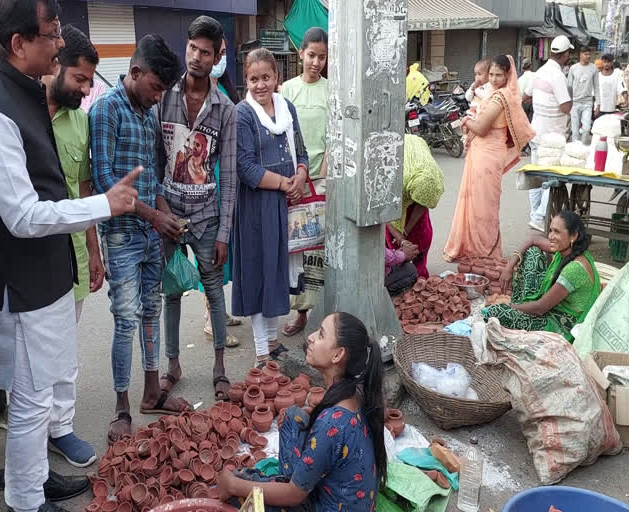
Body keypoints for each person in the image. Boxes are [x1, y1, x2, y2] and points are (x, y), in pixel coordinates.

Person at [0, 0, 144, 510]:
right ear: (18, 43)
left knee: (42, 393)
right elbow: (21, 215)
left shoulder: (23, 92)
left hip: (45, 279)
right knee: (31, 400)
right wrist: (101, 206)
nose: (61, 44)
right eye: (51, 34)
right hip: (18, 288)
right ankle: (25, 499)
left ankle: (34, 478)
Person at [90, 34, 190, 444]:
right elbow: (104, 182)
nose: (157, 97)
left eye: (163, 90)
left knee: (150, 312)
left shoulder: (148, 114)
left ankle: (152, 393)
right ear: (134, 73)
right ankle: (121, 408)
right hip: (122, 237)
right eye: (154, 88)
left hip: (150, 235)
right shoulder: (105, 111)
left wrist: (164, 214)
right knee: (125, 317)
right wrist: (153, 216)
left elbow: (152, 176)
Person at [216, 312, 385, 512]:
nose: (311, 337)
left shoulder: (332, 423)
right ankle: (287, 480)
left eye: (321, 335)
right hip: (346, 497)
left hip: (328, 506)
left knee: (241, 493)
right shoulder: (355, 395)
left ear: (338, 354)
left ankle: (282, 482)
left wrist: (234, 486)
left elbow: (294, 495)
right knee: (292, 417)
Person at [155, 16, 237, 403]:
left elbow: (231, 177)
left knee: (214, 291)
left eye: (206, 52)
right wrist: (158, 211)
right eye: (192, 49)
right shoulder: (164, 96)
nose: (197, 58)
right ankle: (173, 364)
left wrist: (224, 233)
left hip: (207, 217)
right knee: (171, 291)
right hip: (168, 215)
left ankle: (220, 366)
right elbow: (156, 157)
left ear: (218, 56)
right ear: (185, 47)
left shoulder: (226, 109)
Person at [39, 24, 103, 469]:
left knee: (63, 349)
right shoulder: (20, 112)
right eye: (80, 79)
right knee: (28, 353)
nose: (85, 90)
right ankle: (28, 423)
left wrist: (94, 252)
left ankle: (60, 427)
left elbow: (83, 189)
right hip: (28, 255)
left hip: (73, 255)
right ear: (56, 66)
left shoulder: (81, 121)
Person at [233, 48, 309, 367]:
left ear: (277, 78)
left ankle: (274, 340)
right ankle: (262, 350)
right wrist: (284, 183)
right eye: (253, 78)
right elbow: (246, 167)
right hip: (256, 208)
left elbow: (301, 152)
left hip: (284, 207)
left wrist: (301, 176)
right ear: (245, 80)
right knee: (257, 273)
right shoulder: (243, 114)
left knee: (276, 270)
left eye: (266, 77)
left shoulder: (287, 107)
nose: (260, 85)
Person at [444, 55, 535, 262]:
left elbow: (482, 128)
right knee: (474, 201)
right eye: (491, 74)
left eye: (499, 75)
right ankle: (473, 249)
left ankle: (485, 252)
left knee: (484, 205)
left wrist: (466, 119)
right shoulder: (494, 93)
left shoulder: (500, 97)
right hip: (482, 152)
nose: (494, 79)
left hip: (488, 154)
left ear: (507, 75)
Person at [484, 211, 601, 341]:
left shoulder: (574, 269)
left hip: (560, 325)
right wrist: (509, 267)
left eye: (557, 232)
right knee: (533, 253)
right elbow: (533, 240)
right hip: (547, 307)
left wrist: (507, 305)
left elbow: (540, 308)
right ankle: (520, 304)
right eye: (550, 231)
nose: (551, 236)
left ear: (573, 236)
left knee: (495, 312)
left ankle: (517, 306)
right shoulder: (565, 249)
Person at [281, 27, 329, 337]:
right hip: (292, 179)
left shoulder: (331, 90)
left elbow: (335, 136)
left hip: (323, 179)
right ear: (300, 53)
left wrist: (322, 174)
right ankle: (300, 312)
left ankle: (321, 310)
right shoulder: (286, 89)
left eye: (322, 57)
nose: (316, 62)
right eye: (311, 55)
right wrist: (294, 177)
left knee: (320, 250)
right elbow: (280, 134)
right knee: (296, 249)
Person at [197, 34, 241, 349]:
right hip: (207, 184)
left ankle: (219, 311)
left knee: (223, 254)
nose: (221, 58)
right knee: (210, 253)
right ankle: (211, 321)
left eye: (224, 52)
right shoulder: (195, 94)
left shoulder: (224, 89)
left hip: (227, 180)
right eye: (217, 52)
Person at [524, 36, 573, 233]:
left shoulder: (539, 72)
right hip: (552, 137)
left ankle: (534, 213)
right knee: (550, 177)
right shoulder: (558, 76)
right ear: (566, 55)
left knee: (537, 175)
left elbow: (526, 95)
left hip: (536, 132)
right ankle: (539, 216)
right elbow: (565, 106)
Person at [388, 134, 444, 278]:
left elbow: (423, 203)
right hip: (401, 183)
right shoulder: (393, 182)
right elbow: (383, 216)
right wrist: (400, 238)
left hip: (417, 159)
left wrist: (407, 230)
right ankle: (395, 275)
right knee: (393, 244)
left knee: (421, 236)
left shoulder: (433, 177)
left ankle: (419, 273)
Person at [568, 46, 599, 144]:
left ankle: (584, 150)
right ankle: (574, 152)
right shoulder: (573, 68)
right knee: (575, 131)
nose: (588, 56)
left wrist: (598, 104)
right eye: (585, 54)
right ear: (580, 55)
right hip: (575, 102)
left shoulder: (594, 68)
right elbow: (569, 86)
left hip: (587, 102)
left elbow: (596, 87)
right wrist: (568, 103)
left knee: (586, 129)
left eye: (589, 54)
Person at [518, 57, 534, 123]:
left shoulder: (519, 80)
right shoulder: (535, 76)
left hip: (522, 104)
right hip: (532, 103)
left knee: (524, 123)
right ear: (531, 66)